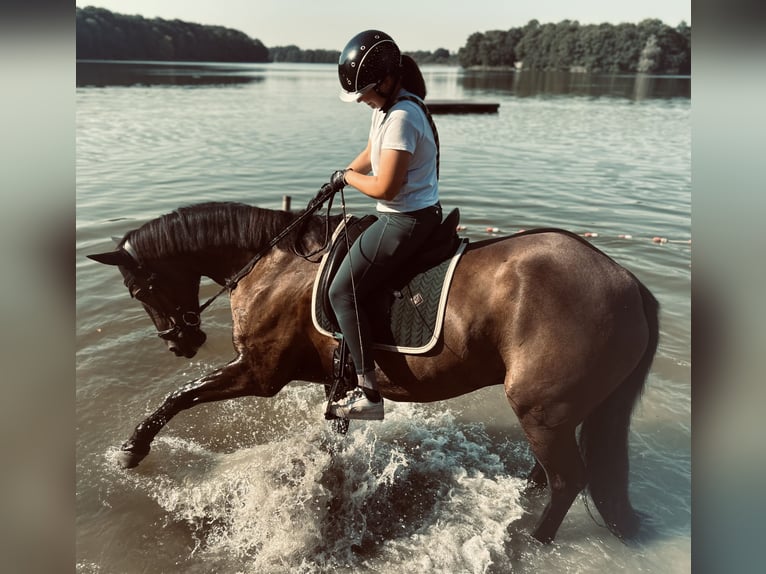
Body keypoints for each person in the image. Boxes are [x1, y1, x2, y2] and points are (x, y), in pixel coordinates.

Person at [327, 30, 442, 420]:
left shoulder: (403, 116)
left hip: (404, 219)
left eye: (366, 92)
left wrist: (347, 179)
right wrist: (344, 171)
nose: (361, 100)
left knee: (341, 291)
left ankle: (369, 393)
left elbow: (385, 186)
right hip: (405, 213)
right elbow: (371, 153)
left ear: (390, 80)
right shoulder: (388, 109)